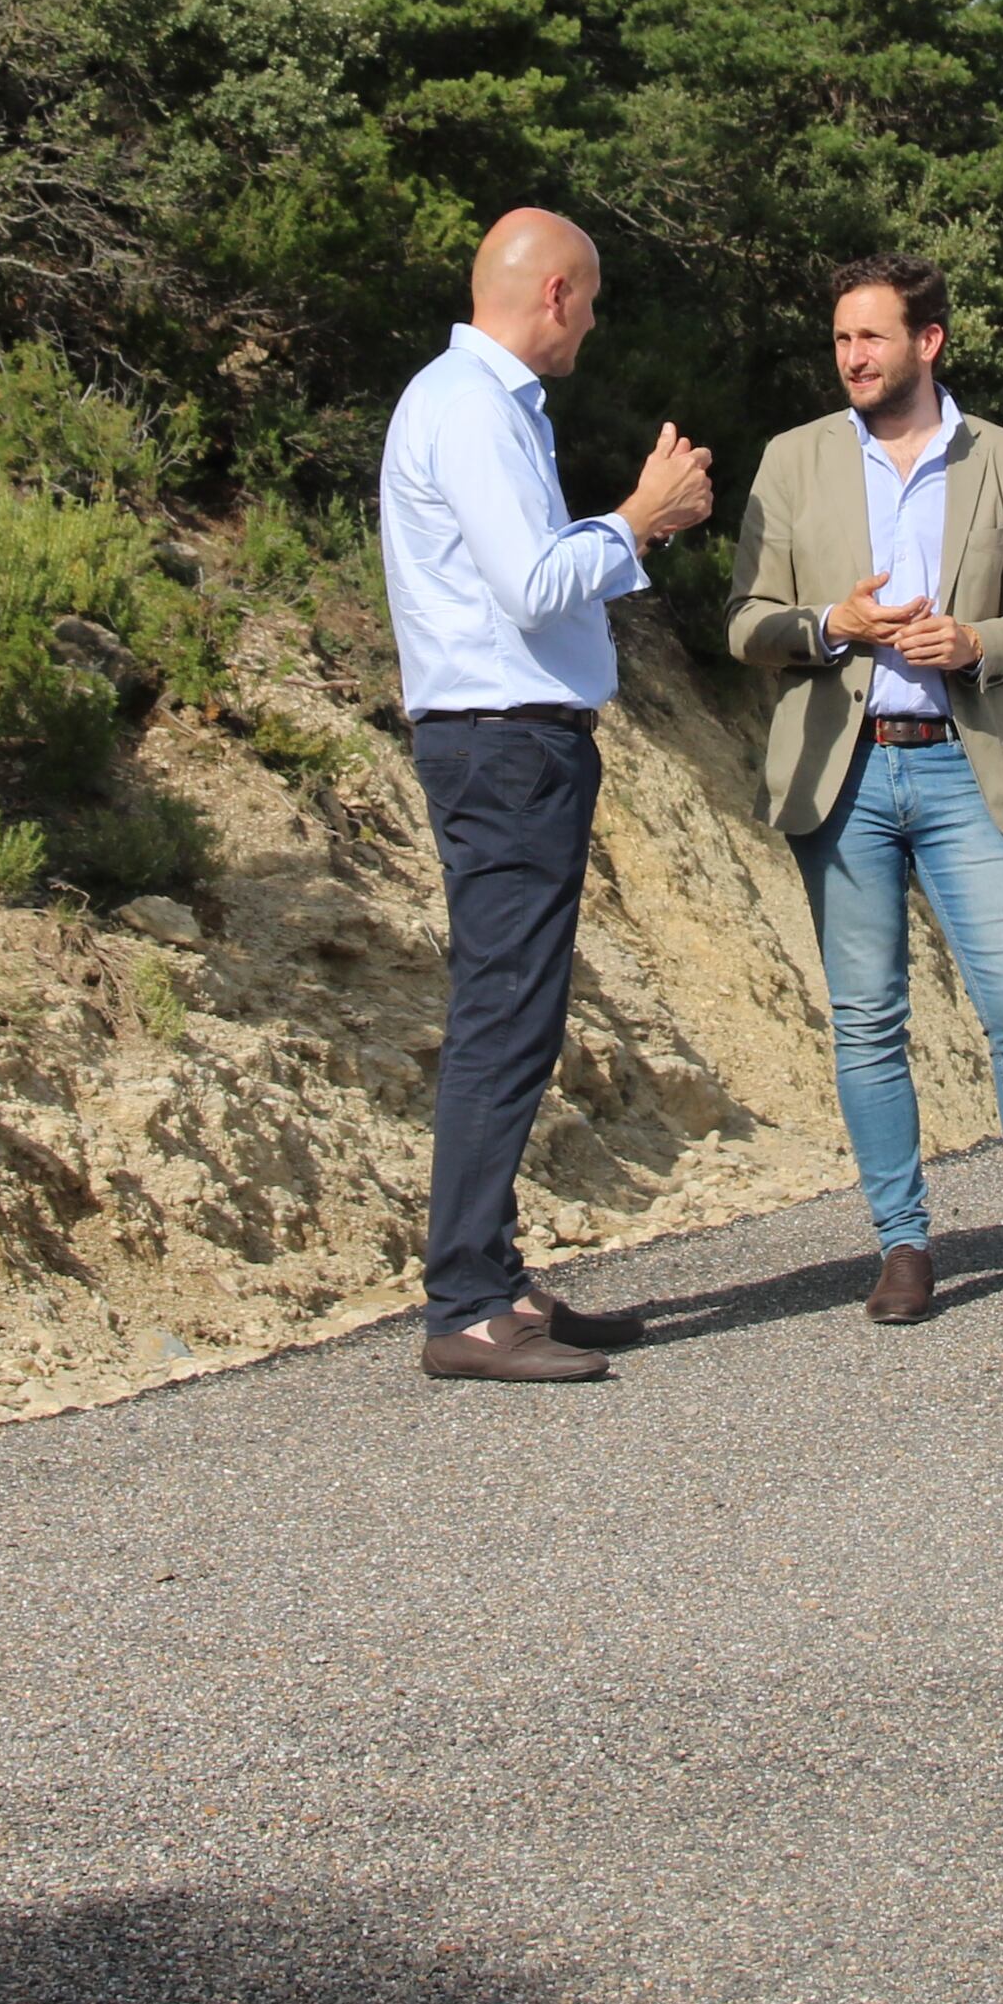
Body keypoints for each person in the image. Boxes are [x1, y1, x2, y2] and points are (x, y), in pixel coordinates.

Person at [725, 254, 1003, 1329]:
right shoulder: (792, 459)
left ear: (927, 342)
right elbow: (744, 622)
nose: (850, 356)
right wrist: (827, 627)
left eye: (870, 337)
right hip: (841, 772)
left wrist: (972, 642)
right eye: (840, 339)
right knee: (866, 1021)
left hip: (963, 764)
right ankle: (901, 1246)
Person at [375, 208, 714, 1384]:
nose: (592, 327)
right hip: (502, 744)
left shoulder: (474, 404)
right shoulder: (470, 407)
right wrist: (639, 518)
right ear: (559, 295)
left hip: (506, 743)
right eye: (594, 301)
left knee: (511, 1007)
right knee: (503, 1013)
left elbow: (516, 573)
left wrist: (620, 528)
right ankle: (466, 1305)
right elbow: (530, 586)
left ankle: (493, 1281)